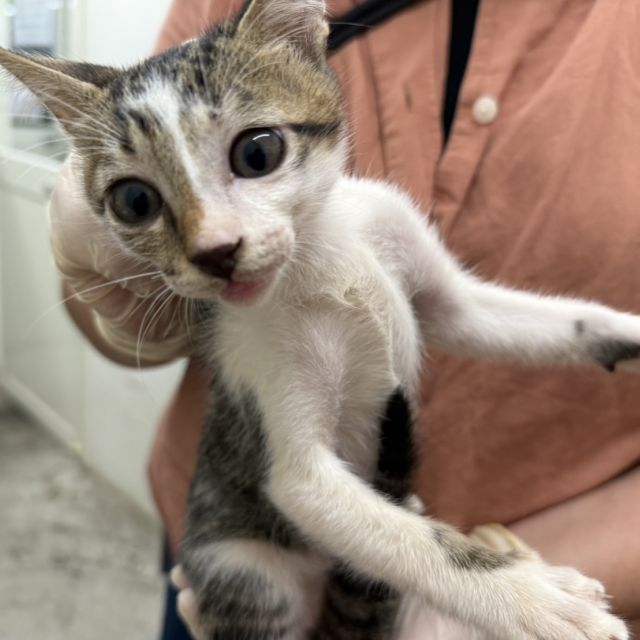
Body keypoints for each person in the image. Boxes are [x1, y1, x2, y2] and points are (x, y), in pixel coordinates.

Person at [48, 0, 640, 637]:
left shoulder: (376, 214)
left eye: (256, 155)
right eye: (139, 201)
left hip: (439, 557)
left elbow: (466, 310)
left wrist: (621, 336)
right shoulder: (252, 315)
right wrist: (107, 294)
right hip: (259, 542)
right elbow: (301, 482)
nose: (209, 241)